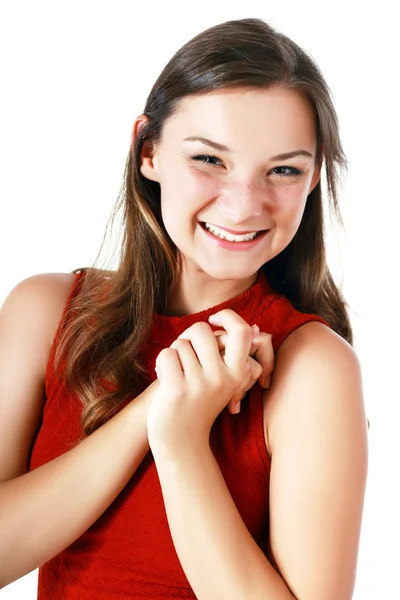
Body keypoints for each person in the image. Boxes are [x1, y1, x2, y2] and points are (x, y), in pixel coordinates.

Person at [0, 17, 368, 600]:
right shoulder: (44, 313)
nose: (245, 205)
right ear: (149, 151)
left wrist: (182, 442)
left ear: (313, 177)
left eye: (283, 170)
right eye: (210, 160)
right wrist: (157, 407)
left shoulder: (311, 367)